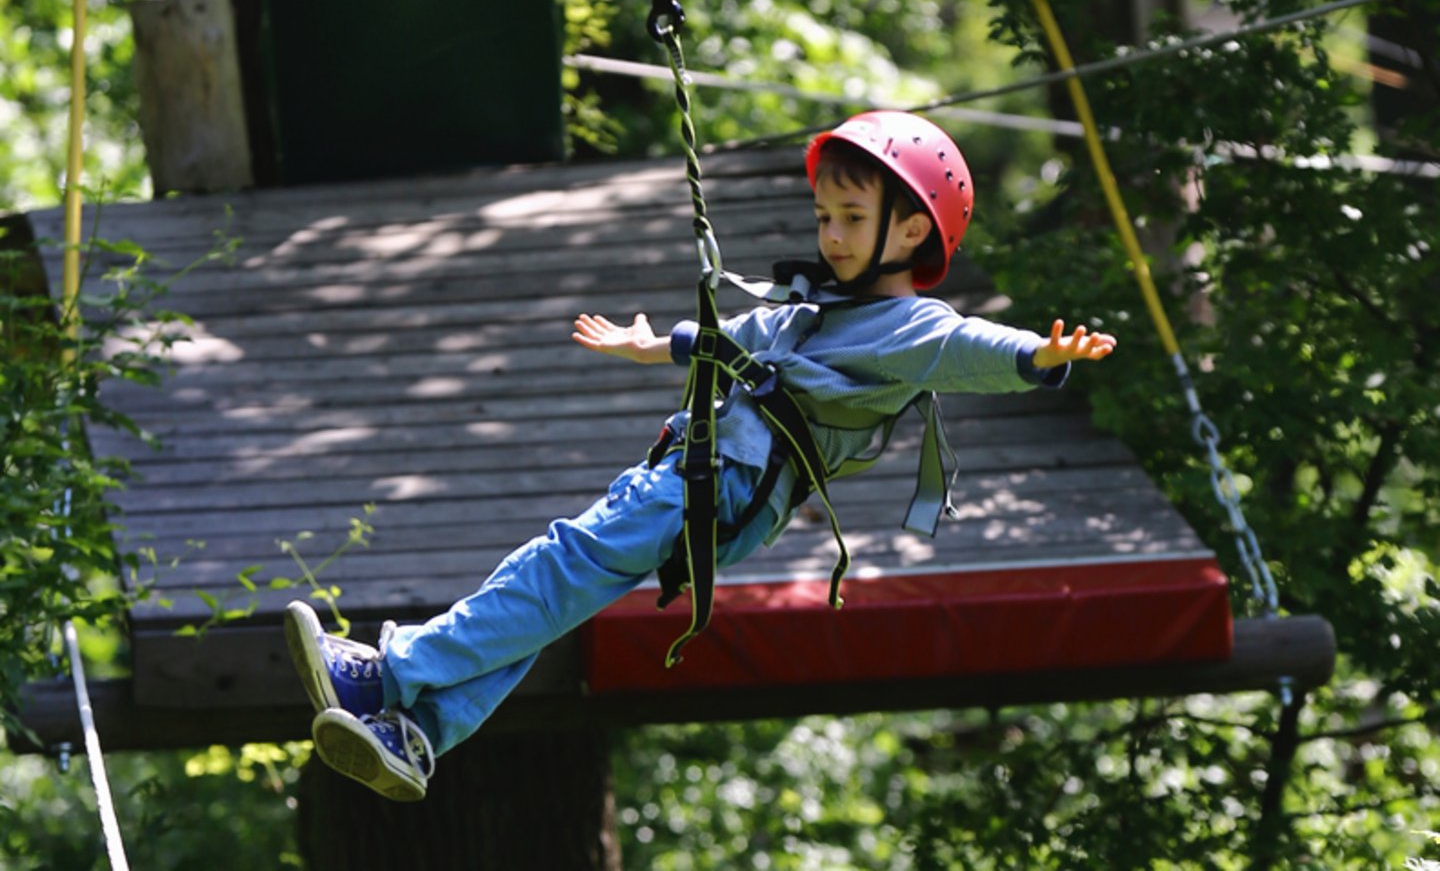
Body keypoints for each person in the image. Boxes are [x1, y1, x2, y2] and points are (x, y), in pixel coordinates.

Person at [284, 110, 1118, 801]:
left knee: (560, 559)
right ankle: (421, 733)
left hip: (724, 480)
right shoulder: (821, 312)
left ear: (910, 231)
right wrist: (652, 346)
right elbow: (734, 338)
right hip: (714, 479)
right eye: (824, 216)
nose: (830, 234)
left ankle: (388, 678)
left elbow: (968, 346)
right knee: (566, 594)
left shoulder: (910, 328)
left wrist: (1040, 358)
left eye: (852, 219)